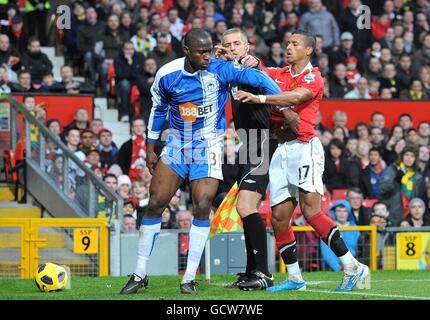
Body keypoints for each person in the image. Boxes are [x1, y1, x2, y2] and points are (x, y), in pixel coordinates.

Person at [120, 28, 282, 296]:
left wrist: (282, 102)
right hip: (176, 144)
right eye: (202, 52)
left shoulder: (220, 69)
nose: (208, 56)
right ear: (187, 51)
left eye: (210, 50)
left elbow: (253, 76)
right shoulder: (167, 74)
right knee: (156, 202)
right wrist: (151, 148)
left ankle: (189, 278)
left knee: (203, 204)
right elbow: (158, 109)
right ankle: (139, 273)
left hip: (209, 146)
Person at [236, 29, 369, 293]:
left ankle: (353, 265)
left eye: (294, 44)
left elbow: (296, 97)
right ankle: (295, 278)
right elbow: (259, 73)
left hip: (305, 147)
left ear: (308, 50)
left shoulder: (313, 76)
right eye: (287, 43)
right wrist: (247, 61)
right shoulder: (280, 73)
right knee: (279, 218)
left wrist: (261, 98)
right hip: (281, 149)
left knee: (311, 211)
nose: (288, 48)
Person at [212, 27, 283, 290]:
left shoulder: (250, 66)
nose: (232, 48)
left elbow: (258, 70)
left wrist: (255, 62)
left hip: (261, 141)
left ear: (247, 46)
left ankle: (263, 272)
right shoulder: (228, 71)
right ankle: (253, 270)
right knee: (246, 209)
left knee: (245, 206)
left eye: (237, 44)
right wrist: (218, 57)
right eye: (227, 44)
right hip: (247, 144)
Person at [380, 144, 426, 226]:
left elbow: (419, 198)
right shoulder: (392, 170)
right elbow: (383, 189)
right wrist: (396, 180)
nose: (409, 158)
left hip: (411, 216)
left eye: (412, 156)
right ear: (402, 156)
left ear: (415, 159)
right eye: (406, 155)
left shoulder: (418, 176)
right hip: (393, 213)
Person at [320, 201, 361, 271]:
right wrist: (338, 269)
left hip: (353, 265)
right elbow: (326, 253)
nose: (342, 214)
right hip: (330, 268)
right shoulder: (327, 228)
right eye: (338, 211)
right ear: (334, 212)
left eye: (345, 211)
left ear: (349, 213)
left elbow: (358, 249)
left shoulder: (355, 228)